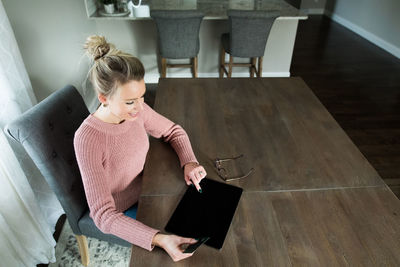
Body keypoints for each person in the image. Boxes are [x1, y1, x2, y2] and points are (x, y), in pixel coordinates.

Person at [74, 35, 207, 262]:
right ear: (103, 98)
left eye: (142, 96)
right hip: (123, 210)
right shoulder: (88, 139)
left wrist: (189, 162)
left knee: (209, 218)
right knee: (191, 246)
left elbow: (173, 131)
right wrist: (158, 238)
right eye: (129, 102)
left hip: (151, 186)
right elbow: (103, 215)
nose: (139, 108)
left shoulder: (138, 110)